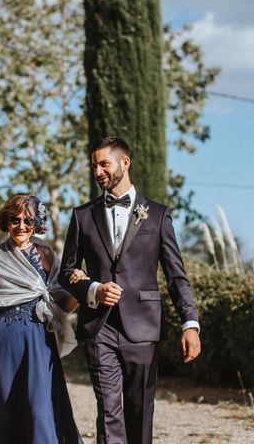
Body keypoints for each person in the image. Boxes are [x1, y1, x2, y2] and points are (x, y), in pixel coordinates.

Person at [59, 137, 202, 444]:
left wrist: (190, 323)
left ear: (125, 163)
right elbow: (66, 273)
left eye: (104, 164)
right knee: (108, 411)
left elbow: (177, 276)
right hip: (99, 328)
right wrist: (93, 289)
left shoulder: (158, 214)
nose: (97, 171)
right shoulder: (82, 216)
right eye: (94, 165)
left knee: (139, 409)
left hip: (144, 326)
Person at [0, 193, 83, 444]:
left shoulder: (46, 253)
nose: (21, 226)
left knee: (39, 409)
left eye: (28, 221)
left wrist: (81, 288)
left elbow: (60, 304)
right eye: (15, 220)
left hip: (39, 343)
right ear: (6, 221)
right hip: (2, 343)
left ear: (36, 223)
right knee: (0, 410)